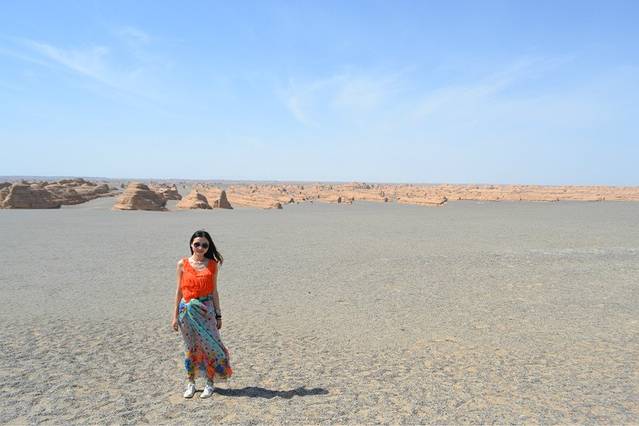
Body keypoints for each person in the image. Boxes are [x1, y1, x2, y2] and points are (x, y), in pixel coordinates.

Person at [172, 230, 233, 398]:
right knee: (190, 347)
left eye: (204, 245)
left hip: (206, 310)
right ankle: (191, 383)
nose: (200, 247)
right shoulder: (182, 264)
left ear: (208, 247)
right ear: (191, 244)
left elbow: (214, 291)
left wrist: (219, 315)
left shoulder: (212, 264)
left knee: (210, 346)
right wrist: (174, 316)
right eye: (197, 244)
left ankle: (209, 383)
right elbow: (178, 291)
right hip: (186, 311)